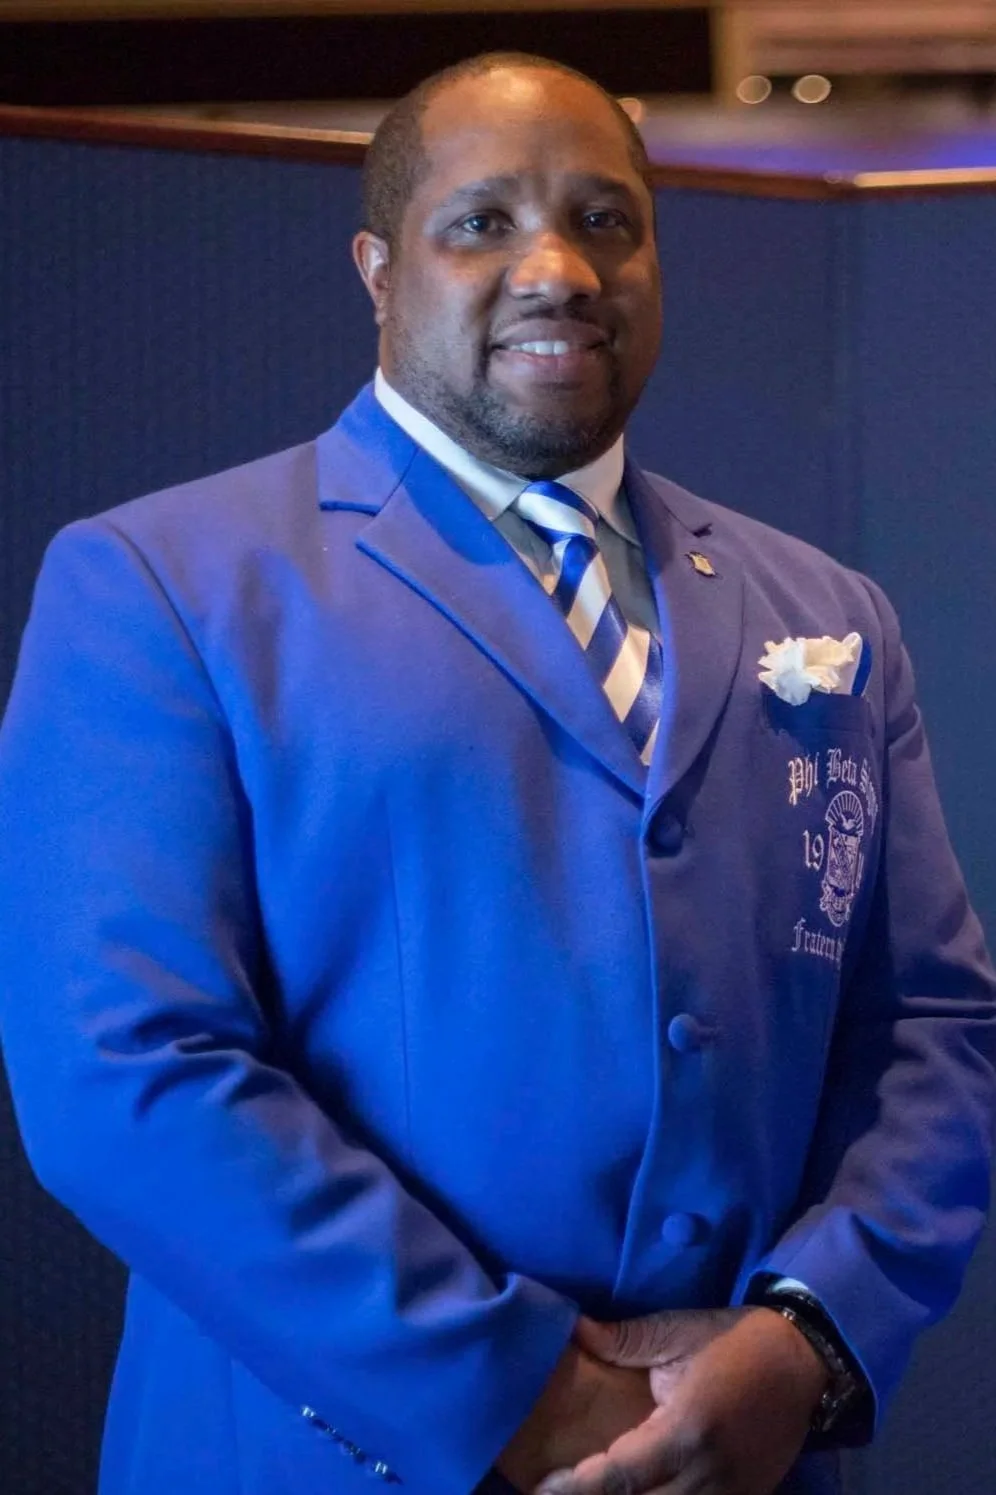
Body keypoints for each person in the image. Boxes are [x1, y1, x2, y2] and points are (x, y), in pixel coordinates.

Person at [0, 50, 993, 1495]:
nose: (559, 268)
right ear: (377, 271)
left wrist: (808, 1339)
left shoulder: (824, 609)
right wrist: (522, 1386)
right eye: (481, 223)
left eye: (607, 221)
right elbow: (123, 1071)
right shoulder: (161, 586)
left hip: (753, 1457)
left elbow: (935, 1027)